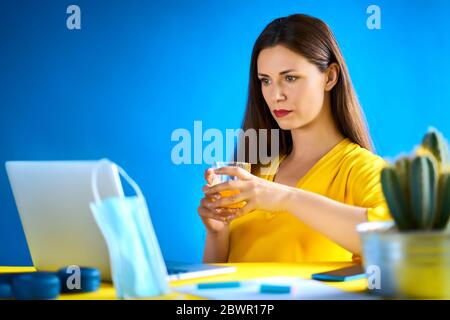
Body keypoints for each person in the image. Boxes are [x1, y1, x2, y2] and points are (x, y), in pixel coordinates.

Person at [197, 14, 391, 263]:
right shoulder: (255, 170)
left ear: (330, 77)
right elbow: (216, 288)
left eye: (290, 78)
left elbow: (395, 237)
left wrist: (286, 198)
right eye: (265, 81)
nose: (275, 95)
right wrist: (217, 233)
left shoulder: (360, 169)